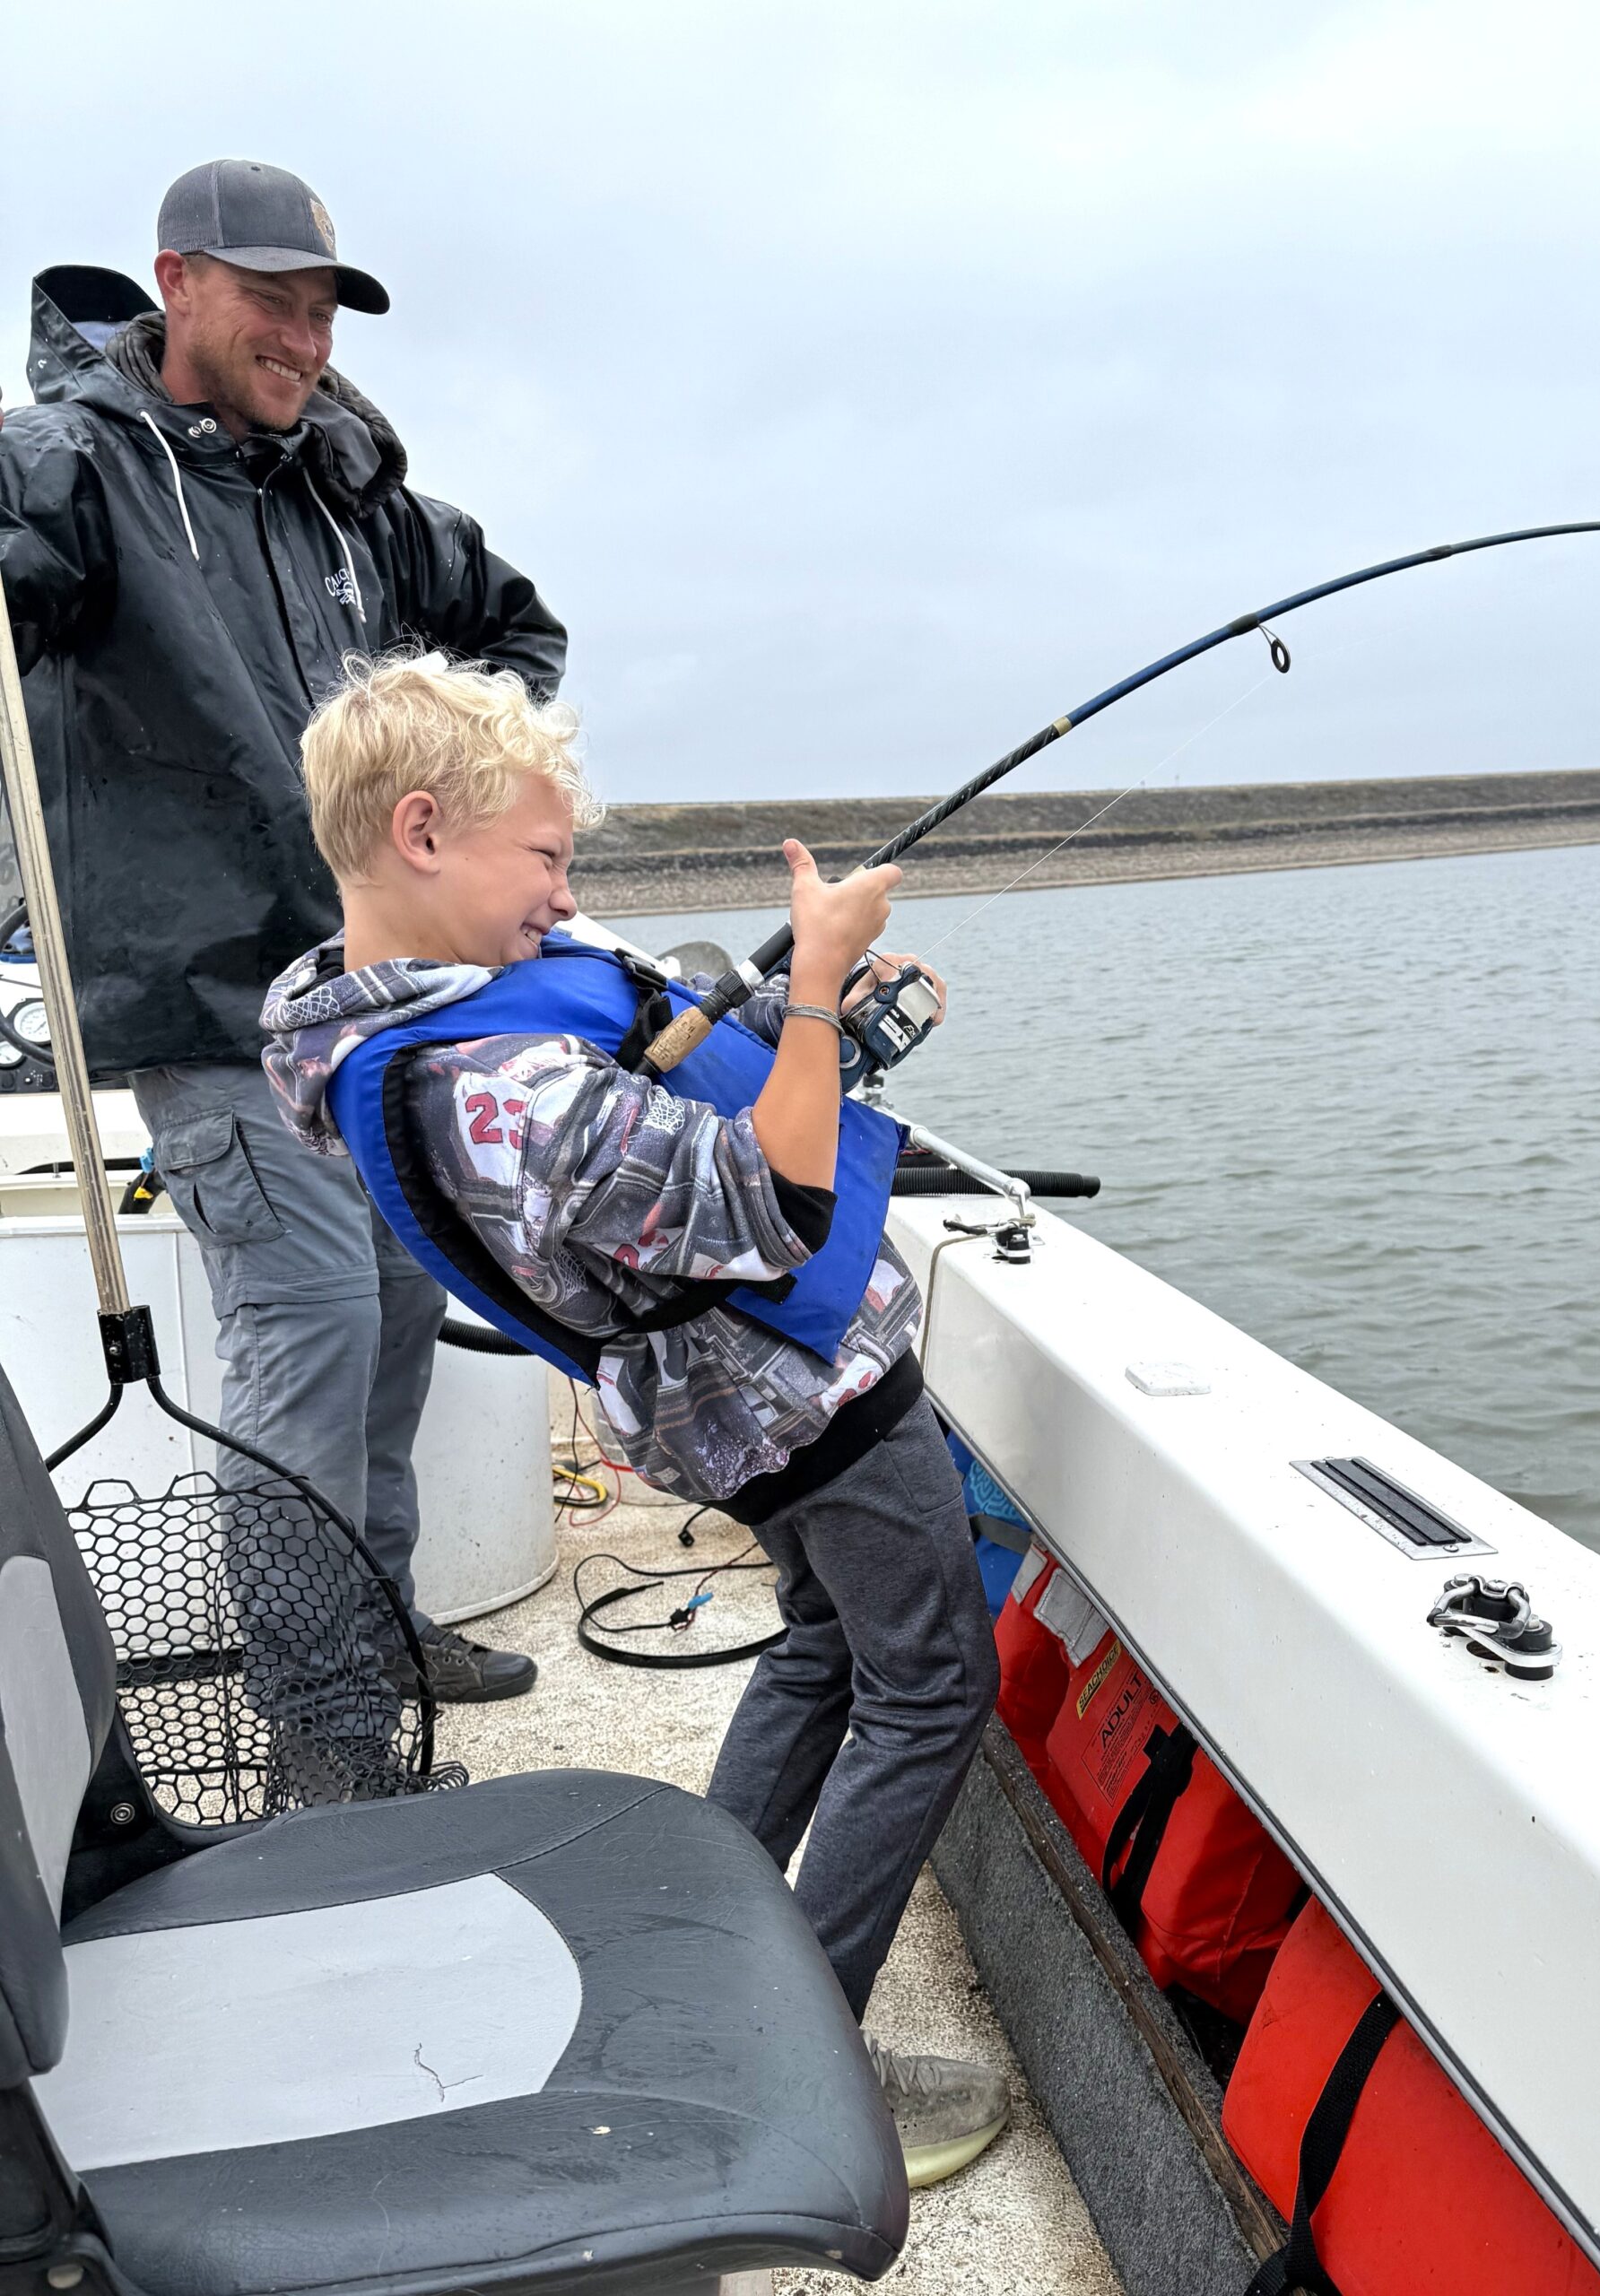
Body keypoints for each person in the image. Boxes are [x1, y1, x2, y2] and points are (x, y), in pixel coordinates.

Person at [259, 652, 1008, 2188]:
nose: (562, 895)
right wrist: (812, 991)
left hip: (719, 1411)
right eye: (543, 859)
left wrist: (736, 1021)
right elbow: (770, 1203)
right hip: (804, 1400)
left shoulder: (353, 1011)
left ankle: (702, 1951)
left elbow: (608, 1095)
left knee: (819, 1644)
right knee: (929, 1687)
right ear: (419, 831)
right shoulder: (491, 1084)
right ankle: (796, 2065)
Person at [0, 161, 561, 1714]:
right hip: (213, 1002)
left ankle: (369, 1630)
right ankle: (324, 1721)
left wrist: (451, 787)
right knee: (309, 1333)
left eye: (319, 311)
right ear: (175, 282)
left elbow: (514, 630)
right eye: (270, 302)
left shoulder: (352, 494)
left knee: (392, 1319)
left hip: (385, 1002)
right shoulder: (69, 468)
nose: (300, 339)